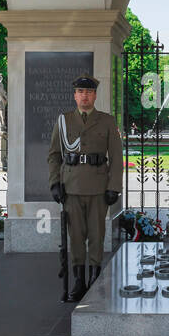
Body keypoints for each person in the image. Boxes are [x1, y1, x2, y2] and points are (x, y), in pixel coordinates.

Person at [48, 74, 123, 302]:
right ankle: (79, 281)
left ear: (95, 95)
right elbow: (54, 155)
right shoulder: (64, 121)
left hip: (99, 188)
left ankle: (95, 277)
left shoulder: (107, 121)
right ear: (75, 95)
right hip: (71, 187)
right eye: (81, 92)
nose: (85, 96)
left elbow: (117, 158)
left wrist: (114, 187)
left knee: (97, 235)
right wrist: (54, 183)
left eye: (89, 92)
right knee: (76, 237)